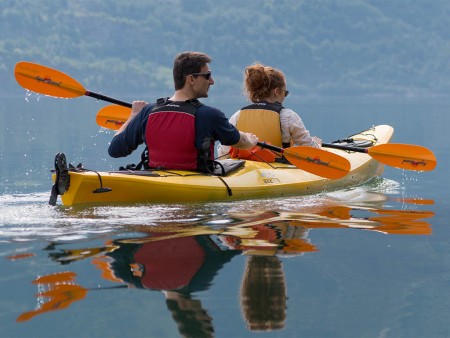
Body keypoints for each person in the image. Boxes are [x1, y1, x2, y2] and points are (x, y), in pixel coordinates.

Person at [108, 51, 258, 172]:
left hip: (156, 180)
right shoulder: (210, 115)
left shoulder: (148, 111)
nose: (211, 81)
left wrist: (134, 115)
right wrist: (251, 140)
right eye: (207, 76)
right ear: (191, 79)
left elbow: (115, 149)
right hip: (195, 185)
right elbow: (241, 142)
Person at [218, 63, 321, 158]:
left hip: (246, 171)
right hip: (278, 171)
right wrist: (317, 144)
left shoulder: (237, 116)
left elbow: (223, 153)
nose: (285, 97)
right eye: (286, 93)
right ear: (277, 91)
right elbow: (312, 151)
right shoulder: (287, 116)